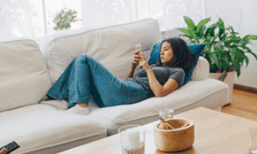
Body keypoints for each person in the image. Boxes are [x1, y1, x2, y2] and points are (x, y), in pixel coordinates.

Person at [46, 37, 197, 114]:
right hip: (126, 89)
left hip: (136, 92)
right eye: (161, 49)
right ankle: (61, 98)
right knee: (78, 61)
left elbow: (160, 92)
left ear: (177, 52)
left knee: (84, 58)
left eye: (166, 49)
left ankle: (80, 106)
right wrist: (132, 67)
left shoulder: (178, 72)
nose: (161, 53)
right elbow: (127, 82)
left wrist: (148, 69)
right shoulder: (155, 65)